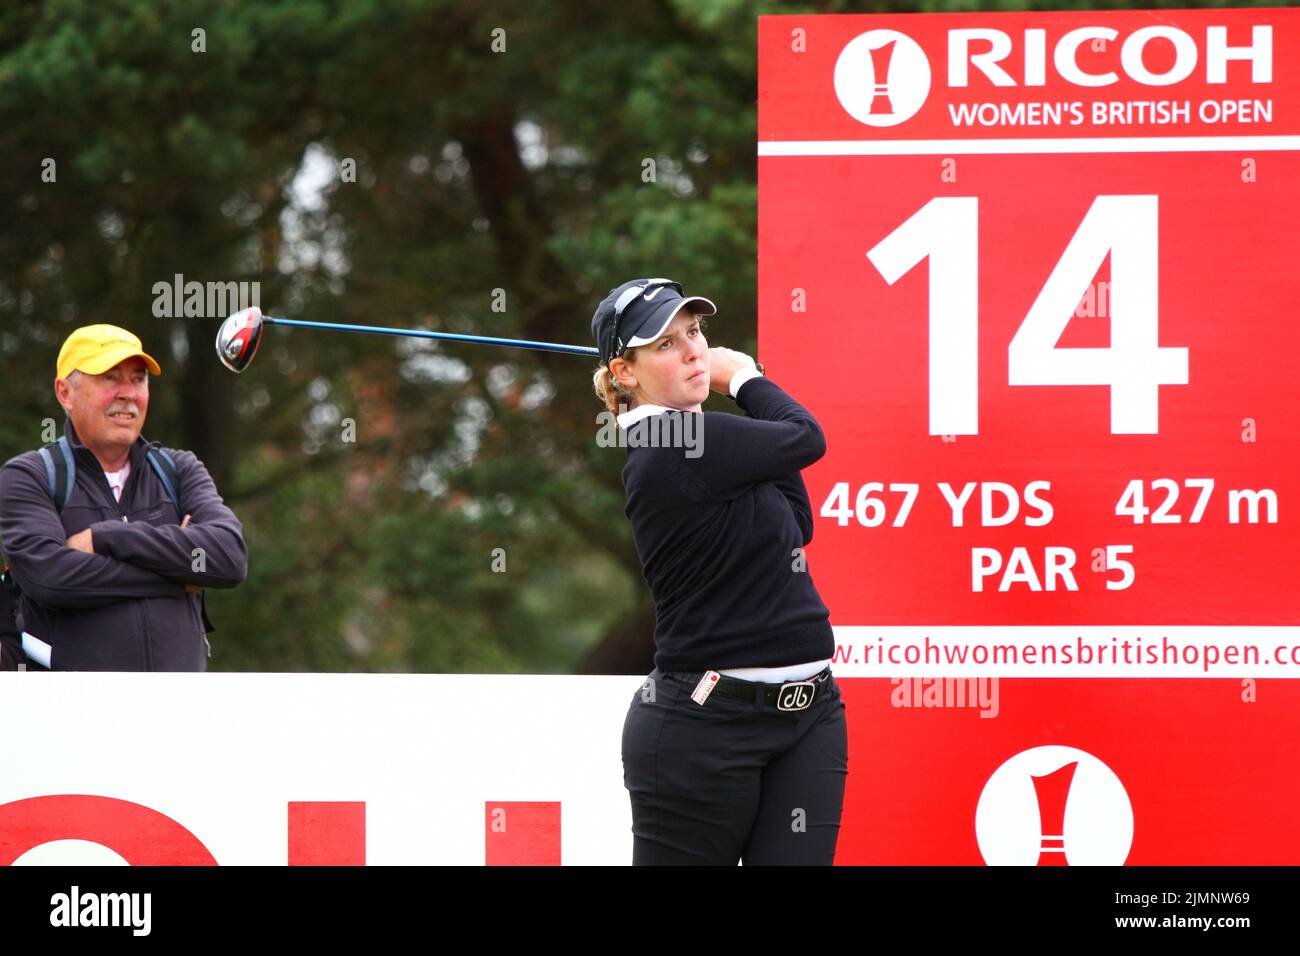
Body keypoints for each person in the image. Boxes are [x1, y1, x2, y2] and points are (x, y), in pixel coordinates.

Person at [592, 278, 848, 865]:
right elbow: (806, 437)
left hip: (809, 717)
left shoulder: (707, 440)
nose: (693, 351)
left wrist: (727, 393)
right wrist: (745, 379)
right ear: (624, 372)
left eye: (695, 333)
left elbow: (799, 521)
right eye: (665, 344)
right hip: (703, 727)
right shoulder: (668, 440)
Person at [0, 324, 247, 671]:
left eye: (138, 378)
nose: (128, 393)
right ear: (65, 392)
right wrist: (180, 574)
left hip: (178, 716)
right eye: (110, 378)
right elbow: (50, 579)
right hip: (69, 718)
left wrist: (107, 537)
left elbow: (230, 557)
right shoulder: (30, 476)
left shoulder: (179, 468)